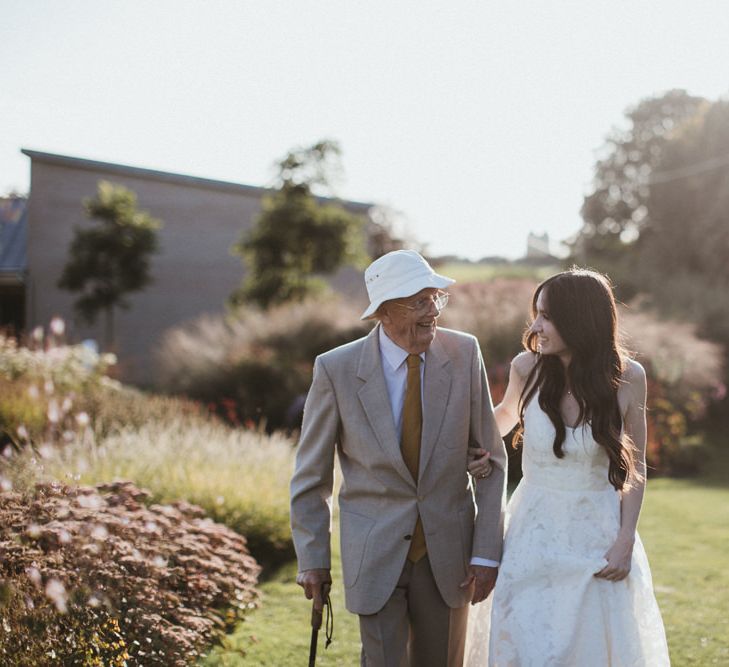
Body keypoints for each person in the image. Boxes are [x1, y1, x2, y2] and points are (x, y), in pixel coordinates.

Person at [290, 250, 507, 666]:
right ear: (384, 313)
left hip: (449, 556)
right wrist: (313, 559)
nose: (432, 312)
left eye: (436, 299)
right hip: (374, 553)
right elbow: (310, 478)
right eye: (418, 301)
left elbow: (492, 461)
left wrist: (484, 553)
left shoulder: (464, 354)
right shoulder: (336, 369)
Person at [467, 268, 670, 666]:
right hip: (532, 531)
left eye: (547, 316)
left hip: (598, 536)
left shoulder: (629, 378)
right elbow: (506, 414)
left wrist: (625, 540)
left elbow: (636, 463)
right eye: (536, 314)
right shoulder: (527, 367)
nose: (536, 326)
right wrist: (471, 444)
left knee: (590, 647)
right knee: (527, 642)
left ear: (579, 320)